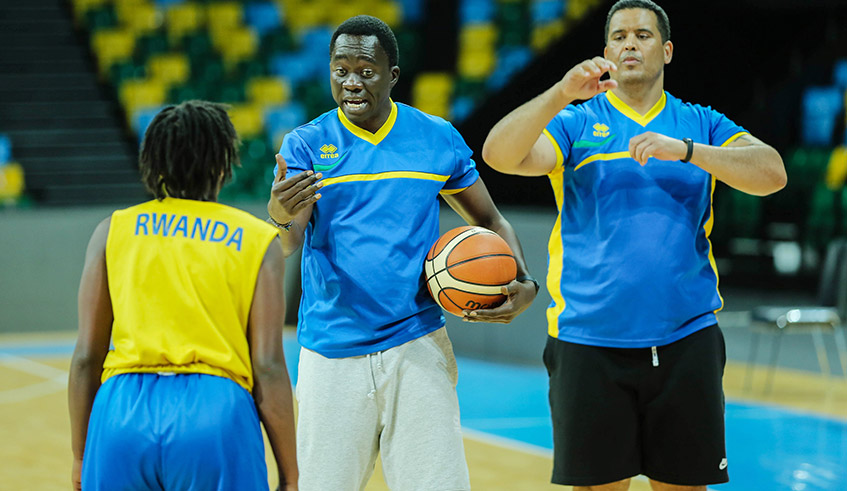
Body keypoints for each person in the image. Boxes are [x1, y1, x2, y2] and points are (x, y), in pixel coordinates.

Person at [482, 1, 786, 490]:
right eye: (619, 36)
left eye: (643, 36)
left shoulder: (699, 122)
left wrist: (686, 151)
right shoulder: (577, 122)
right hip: (588, 341)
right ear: (606, 52)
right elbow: (499, 154)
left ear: (666, 51)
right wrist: (560, 94)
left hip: (687, 340)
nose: (629, 44)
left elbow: (772, 173)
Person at [266, 14, 538, 491]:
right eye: (340, 69)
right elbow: (289, 243)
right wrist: (279, 214)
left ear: (392, 75)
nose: (351, 82)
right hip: (332, 352)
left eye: (366, 71)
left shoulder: (436, 137)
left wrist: (523, 282)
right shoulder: (306, 143)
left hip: (418, 343)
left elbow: (491, 221)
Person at [68, 100, 298, 491]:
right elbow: (269, 366)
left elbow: (87, 357)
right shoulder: (258, 240)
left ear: (153, 161)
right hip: (214, 411)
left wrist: (79, 456)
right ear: (223, 164)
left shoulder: (112, 230)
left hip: (120, 414)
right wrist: (291, 474)